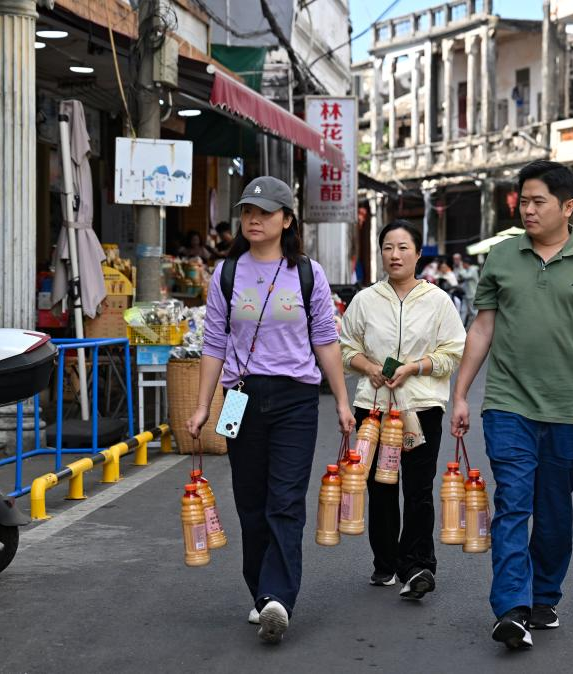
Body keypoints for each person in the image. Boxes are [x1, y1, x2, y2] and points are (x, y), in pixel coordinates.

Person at [450, 160, 573, 650]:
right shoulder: (501, 257)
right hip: (508, 404)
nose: (528, 209)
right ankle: (511, 608)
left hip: (569, 408)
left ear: (568, 207)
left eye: (538, 201)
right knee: (513, 502)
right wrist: (460, 393)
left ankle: (544, 595)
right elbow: (482, 327)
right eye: (524, 201)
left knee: (553, 511)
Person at [186, 176, 355, 645]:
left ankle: (278, 597)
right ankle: (261, 592)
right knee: (251, 502)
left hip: (296, 400)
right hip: (240, 397)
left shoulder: (307, 273)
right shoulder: (226, 273)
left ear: (287, 219)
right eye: (247, 212)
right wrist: (202, 406)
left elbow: (326, 338)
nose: (253, 219)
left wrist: (342, 401)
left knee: (285, 500)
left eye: (264, 211)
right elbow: (214, 342)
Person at [338, 220, 466, 601]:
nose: (395, 255)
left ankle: (419, 565)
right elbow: (345, 348)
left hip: (421, 407)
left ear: (418, 253)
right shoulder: (365, 300)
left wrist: (415, 367)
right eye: (388, 247)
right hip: (372, 409)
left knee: (418, 488)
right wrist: (370, 368)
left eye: (403, 247)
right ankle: (385, 561)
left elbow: (453, 352)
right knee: (378, 487)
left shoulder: (439, 301)